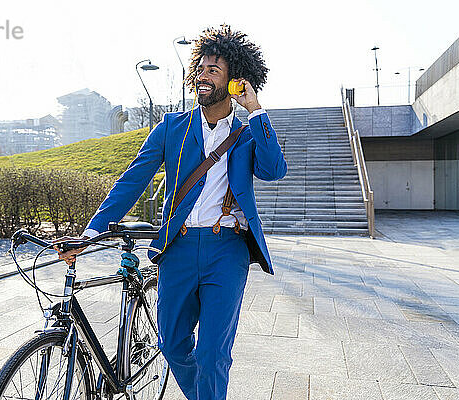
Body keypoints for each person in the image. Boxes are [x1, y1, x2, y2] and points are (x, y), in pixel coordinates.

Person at [57, 24, 287, 400]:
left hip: (225, 250)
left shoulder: (246, 133)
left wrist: (256, 110)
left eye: (214, 70)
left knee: (213, 354)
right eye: (201, 67)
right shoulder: (171, 128)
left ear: (234, 81)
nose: (203, 75)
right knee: (172, 344)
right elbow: (131, 182)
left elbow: (274, 170)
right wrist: (90, 233)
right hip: (176, 249)